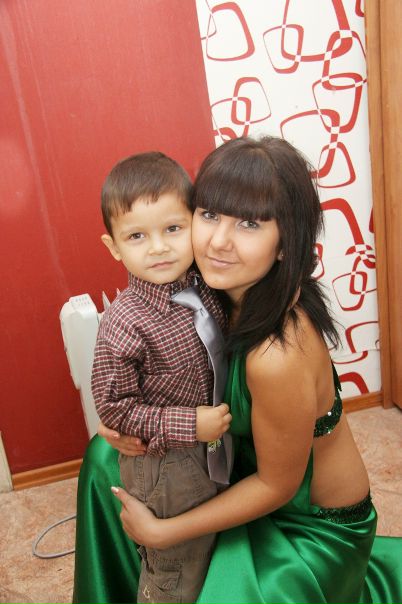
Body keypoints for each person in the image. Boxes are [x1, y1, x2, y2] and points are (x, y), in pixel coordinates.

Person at [73, 137, 402, 604]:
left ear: (285, 243)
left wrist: (165, 532)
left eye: (249, 223)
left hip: (306, 522)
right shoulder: (205, 290)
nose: (218, 241)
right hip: (229, 463)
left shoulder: (276, 356)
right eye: (209, 214)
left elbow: (277, 486)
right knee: (102, 460)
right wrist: (121, 424)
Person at [90, 151, 231, 604]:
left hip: (217, 445)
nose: (158, 247)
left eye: (173, 228)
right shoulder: (124, 323)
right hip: (168, 466)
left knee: (214, 551)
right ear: (114, 246)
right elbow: (115, 409)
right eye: (137, 236)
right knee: (176, 569)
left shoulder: (207, 286)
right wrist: (191, 424)